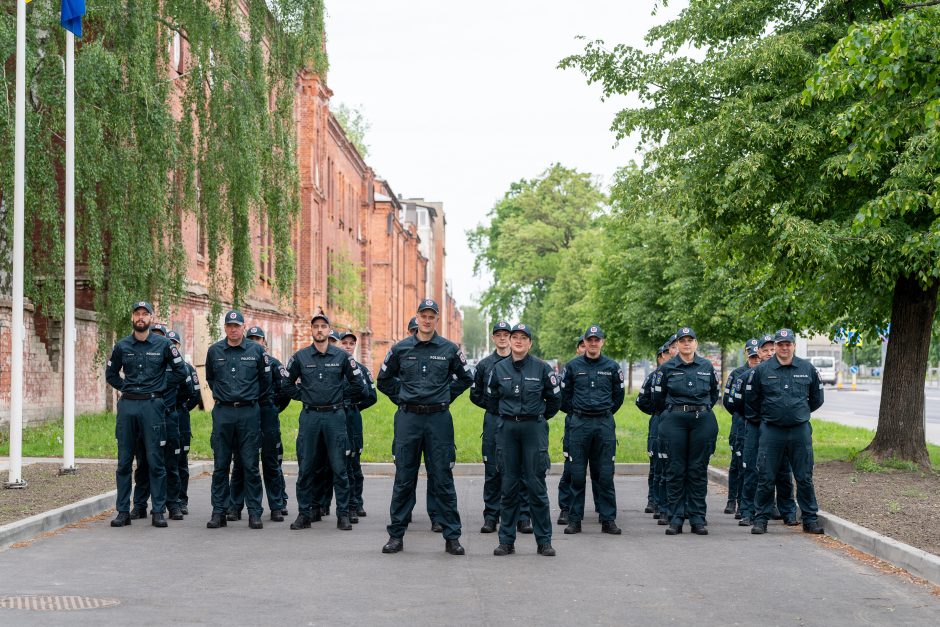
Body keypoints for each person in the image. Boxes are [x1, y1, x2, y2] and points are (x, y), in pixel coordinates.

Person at [377, 298, 474, 555]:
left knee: (442, 478)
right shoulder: (400, 349)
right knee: (404, 479)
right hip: (409, 419)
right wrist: (403, 396)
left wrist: (444, 395)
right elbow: (383, 380)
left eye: (432, 316)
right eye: (423, 316)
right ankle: (396, 535)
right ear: (417, 318)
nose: (427, 320)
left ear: (437, 319)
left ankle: (452, 537)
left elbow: (466, 377)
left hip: (438, 420)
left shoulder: (449, 349)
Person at [105, 301, 187, 528]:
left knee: (155, 460)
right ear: (132, 317)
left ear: (151, 318)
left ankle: (158, 510)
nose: (140, 317)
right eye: (137, 314)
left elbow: (180, 371)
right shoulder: (122, 346)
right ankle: (123, 511)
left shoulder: (163, 345)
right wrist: (126, 387)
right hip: (129, 406)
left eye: (145, 314)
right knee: (124, 462)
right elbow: (110, 374)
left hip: (152, 406)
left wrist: (159, 387)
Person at [283, 313, 367, 531]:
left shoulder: (342, 357)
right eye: (316, 326)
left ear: (329, 330)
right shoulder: (300, 357)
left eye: (323, 326)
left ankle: (343, 515)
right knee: (307, 466)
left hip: (335, 417)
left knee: (339, 467)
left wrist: (340, 395)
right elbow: (286, 383)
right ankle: (304, 514)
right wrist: (303, 395)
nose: (319, 330)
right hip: (310, 417)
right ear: (311, 331)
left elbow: (359, 384)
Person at [487, 323, 561, 556]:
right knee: (508, 486)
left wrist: (535, 417)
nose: (518, 341)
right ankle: (506, 541)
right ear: (509, 341)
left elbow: (554, 401)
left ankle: (544, 541)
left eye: (523, 338)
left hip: (533, 429)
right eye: (514, 337)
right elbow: (491, 400)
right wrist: (508, 416)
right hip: (508, 429)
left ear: (530, 343)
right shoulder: (498, 369)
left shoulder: (542, 369)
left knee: (536, 486)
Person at [746, 328, 825, 535]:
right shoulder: (762, 370)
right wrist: (769, 416)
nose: (783, 347)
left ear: (793, 346)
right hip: (772, 430)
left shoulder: (807, 368)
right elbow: (752, 400)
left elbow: (817, 399)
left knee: (804, 476)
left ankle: (809, 519)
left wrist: (798, 414)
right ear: (776, 346)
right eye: (780, 344)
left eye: (787, 344)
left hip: (799, 431)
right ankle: (760, 519)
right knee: (766, 476)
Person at [204, 309, 272, 530]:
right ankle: (219, 512)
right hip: (223, 413)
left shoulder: (256, 351)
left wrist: (247, 398)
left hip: (248, 413)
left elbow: (265, 380)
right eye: (229, 326)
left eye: (237, 326)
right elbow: (211, 379)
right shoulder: (214, 351)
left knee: (251, 464)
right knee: (221, 464)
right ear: (225, 328)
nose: (233, 330)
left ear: (243, 327)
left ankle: (254, 512)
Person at [652, 327, 719, 535]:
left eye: (690, 340)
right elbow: (658, 398)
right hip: (675, 421)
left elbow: (714, 393)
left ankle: (698, 518)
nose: (687, 343)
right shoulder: (667, 368)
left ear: (696, 344)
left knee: (698, 470)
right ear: (677, 344)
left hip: (702, 420)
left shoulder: (707, 367)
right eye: (683, 340)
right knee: (675, 470)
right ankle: (676, 518)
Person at [559, 325, 625, 535]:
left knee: (605, 474)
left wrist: (602, 412)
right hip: (579, 424)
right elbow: (564, 396)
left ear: (602, 342)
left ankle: (608, 520)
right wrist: (579, 412)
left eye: (597, 340)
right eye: (590, 340)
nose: (593, 343)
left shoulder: (613, 367)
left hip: (604, 424)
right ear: (585, 343)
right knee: (577, 474)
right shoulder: (572, 366)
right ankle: (574, 520)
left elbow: (618, 397)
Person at [469, 321, 532, 534]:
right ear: (494, 338)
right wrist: (495, 408)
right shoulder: (485, 365)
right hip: (494, 420)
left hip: (518, 422)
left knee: (521, 469)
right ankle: (491, 516)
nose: (503, 338)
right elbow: (475, 394)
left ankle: (523, 517)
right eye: (499, 334)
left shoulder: (521, 362)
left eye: (507, 334)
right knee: (493, 471)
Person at [226, 326, 292, 522]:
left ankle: (277, 505)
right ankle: (235, 506)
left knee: (271, 462)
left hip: (266, 413)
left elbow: (285, 390)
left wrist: (274, 408)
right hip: (245, 413)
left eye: (259, 339)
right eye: (252, 338)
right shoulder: (241, 360)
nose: (255, 342)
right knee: (241, 461)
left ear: (265, 343)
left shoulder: (274, 364)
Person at [737, 334, 798, 526]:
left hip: (779, 428)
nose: (770, 353)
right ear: (759, 353)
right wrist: (758, 419)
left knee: (783, 470)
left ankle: (787, 511)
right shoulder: (749, 376)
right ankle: (748, 511)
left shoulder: (785, 372)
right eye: (765, 350)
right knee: (753, 470)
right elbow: (738, 404)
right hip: (756, 427)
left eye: (773, 349)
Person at [558, 336, 600, 526]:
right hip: (575, 421)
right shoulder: (572, 367)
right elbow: (563, 397)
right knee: (571, 468)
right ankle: (566, 508)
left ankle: (601, 508)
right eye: (582, 345)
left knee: (600, 470)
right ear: (578, 349)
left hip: (597, 422)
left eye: (589, 344)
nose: (586, 348)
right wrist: (575, 413)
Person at [338, 330, 378, 521]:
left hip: (352, 418)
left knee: (354, 464)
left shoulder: (361, 369)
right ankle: (322, 504)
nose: (347, 346)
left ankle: (356, 502)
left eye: (351, 343)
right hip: (333, 418)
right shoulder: (333, 367)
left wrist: (353, 407)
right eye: (344, 342)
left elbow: (371, 397)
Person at [721, 338, 760, 517]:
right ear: (746, 354)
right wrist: (741, 415)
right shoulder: (737, 374)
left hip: (756, 425)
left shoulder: (763, 372)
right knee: (737, 464)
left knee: (754, 465)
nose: (755, 360)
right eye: (752, 357)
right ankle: (732, 500)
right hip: (739, 425)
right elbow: (728, 402)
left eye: (757, 357)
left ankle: (748, 502)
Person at [167, 330, 202, 515]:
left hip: (180, 415)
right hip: (162, 415)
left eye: (174, 342)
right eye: (168, 342)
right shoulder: (160, 366)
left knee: (181, 461)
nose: (171, 345)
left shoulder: (187, 368)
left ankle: (181, 499)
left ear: (179, 345)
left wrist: (181, 409)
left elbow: (195, 395)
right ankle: (165, 500)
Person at [636, 341, 671, 519]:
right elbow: (641, 400)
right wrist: (656, 412)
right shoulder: (653, 376)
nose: (671, 354)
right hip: (659, 420)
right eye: (668, 351)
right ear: (660, 357)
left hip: (676, 421)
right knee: (657, 463)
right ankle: (654, 500)